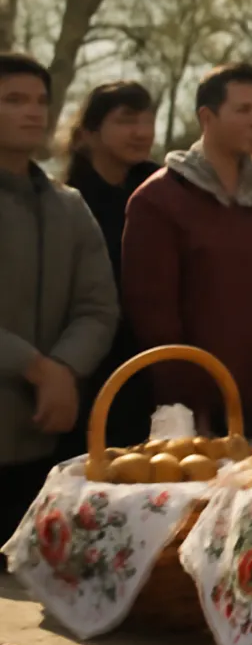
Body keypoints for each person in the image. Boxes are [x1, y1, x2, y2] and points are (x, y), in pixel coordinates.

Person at [122, 64, 252, 434]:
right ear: (207, 117)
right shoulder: (159, 200)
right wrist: (188, 409)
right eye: (243, 110)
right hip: (193, 418)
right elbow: (155, 320)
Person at [0, 54, 118, 558]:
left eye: (41, 101)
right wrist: (34, 366)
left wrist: (64, 371)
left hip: (47, 446)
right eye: (14, 100)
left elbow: (98, 307)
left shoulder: (68, 206)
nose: (33, 113)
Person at [60, 80, 159, 452]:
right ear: (89, 132)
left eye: (148, 121)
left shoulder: (160, 194)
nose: (141, 132)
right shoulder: (68, 203)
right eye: (126, 121)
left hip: (152, 360)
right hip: (90, 364)